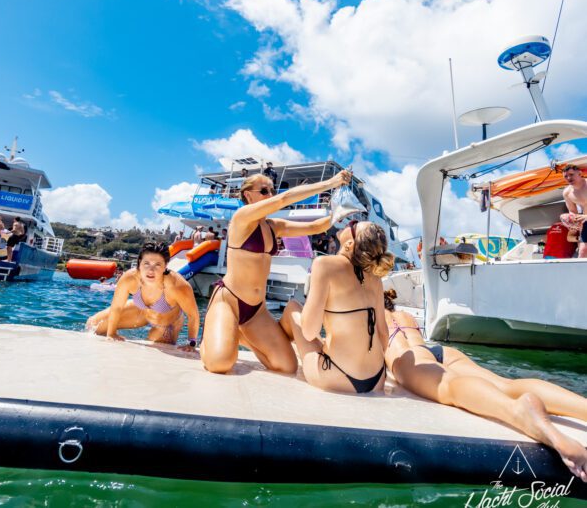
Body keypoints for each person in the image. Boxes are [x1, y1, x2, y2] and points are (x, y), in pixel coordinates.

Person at [383, 290, 587, 482]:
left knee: (450, 387)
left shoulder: (371, 312)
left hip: (409, 359)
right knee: (506, 384)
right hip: (440, 352)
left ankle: (517, 411)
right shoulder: (404, 315)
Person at [200, 169, 352, 375]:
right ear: (248, 195)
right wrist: (330, 183)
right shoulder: (241, 218)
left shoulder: (273, 226)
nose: (270, 195)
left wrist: (342, 213)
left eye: (272, 190)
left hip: (256, 311)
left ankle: (241, 335)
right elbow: (285, 198)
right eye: (264, 191)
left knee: (287, 366)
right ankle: (208, 341)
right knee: (220, 364)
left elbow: (316, 226)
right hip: (229, 301)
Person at [280, 221, 392, 394]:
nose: (347, 224)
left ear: (350, 244)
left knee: (292, 308)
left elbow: (309, 332)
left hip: (337, 375)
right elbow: (383, 333)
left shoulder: (324, 264)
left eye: (352, 225)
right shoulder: (374, 277)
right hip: (377, 379)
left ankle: (276, 352)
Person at [86, 242, 200, 348]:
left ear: (166, 266)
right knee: (93, 324)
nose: (151, 270)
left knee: (154, 342)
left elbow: (193, 315)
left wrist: (191, 344)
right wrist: (111, 334)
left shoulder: (177, 285)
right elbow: (117, 307)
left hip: (167, 321)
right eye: (146, 263)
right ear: (139, 262)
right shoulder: (129, 278)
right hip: (142, 311)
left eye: (157, 265)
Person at [562, 164, 587, 258]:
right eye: (566, 176)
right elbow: (572, 211)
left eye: (571, 174)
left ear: (580, 173)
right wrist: (573, 221)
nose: (568, 178)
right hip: (586, 222)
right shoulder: (567, 193)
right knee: (582, 252)